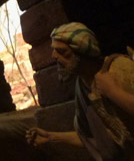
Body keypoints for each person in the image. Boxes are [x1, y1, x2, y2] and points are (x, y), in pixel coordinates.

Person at [26, 22, 134, 160]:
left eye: (62, 51)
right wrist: (51, 137)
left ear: (82, 51)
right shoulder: (82, 87)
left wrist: (113, 92)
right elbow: (92, 138)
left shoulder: (120, 68)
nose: (54, 56)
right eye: (54, 51)